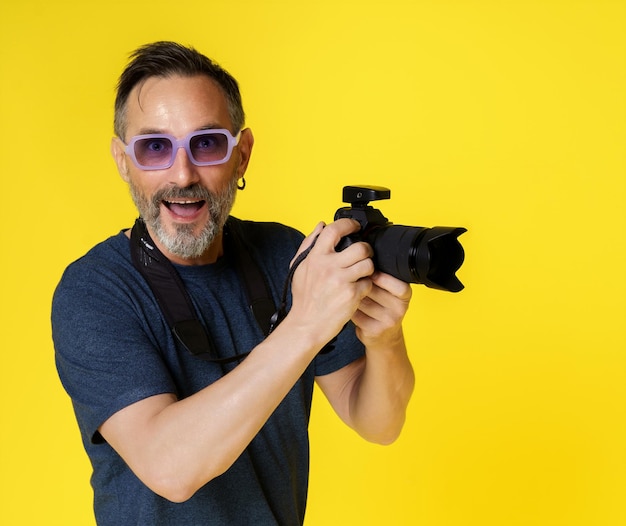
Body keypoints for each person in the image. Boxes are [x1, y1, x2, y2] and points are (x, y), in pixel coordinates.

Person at [52, 41, 415, 526]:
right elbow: (171, 467)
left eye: (206, 144)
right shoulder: (94, 290)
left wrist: (385, 341)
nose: (183, 174)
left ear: (241, 155)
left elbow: (378, 423)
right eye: (155, 147)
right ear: (123, 162)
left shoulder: (287, 257)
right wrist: (305, 325)